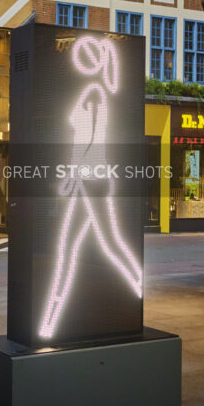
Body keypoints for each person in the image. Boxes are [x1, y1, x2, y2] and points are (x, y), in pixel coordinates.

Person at [39, 36, 142, 340]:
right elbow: (79, 141)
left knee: (105, 244)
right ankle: (48, 321)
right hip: (87, 177)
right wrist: (73, 172)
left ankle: (137, 286)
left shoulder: (96, 93)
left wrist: (74, 172)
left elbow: (92, 138)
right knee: (69, 251)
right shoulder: (89, 92)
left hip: (93, 178)